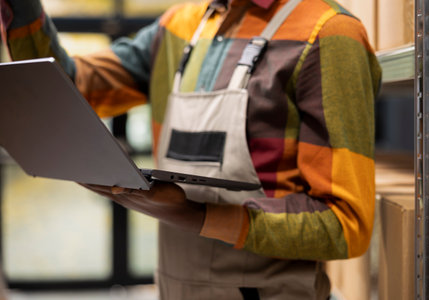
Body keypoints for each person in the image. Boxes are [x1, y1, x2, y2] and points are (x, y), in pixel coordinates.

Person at [0, 0, 381, 298]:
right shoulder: (178, 28)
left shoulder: (330, 34)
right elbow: (73, 88)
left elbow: (345, 224)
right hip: (174, 286)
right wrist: (22, 9)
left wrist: (199, 215)